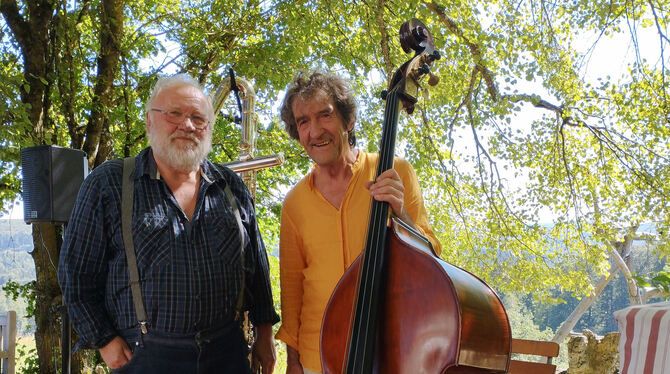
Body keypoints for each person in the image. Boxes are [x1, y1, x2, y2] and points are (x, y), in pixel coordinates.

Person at [58, 73, 279, 374]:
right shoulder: (109, 184)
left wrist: (264, 336)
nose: (187, 125)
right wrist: (104, 340)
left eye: (198, 118)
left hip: (226, 354)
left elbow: (257, 269)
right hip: (145, 358)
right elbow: (75, 274)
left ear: (209, 129)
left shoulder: (231, 187)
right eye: (174, 114)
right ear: (150, 121)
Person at [275, 70, 442, 374]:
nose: (315, 131)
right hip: (318, 360)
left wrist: (401, 214)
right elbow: (293, 292)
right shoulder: (295, 203)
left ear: (347, 121)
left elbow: (432, 258)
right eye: (303, 122)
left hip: (390, 354)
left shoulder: (395, 172)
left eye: (324, 115)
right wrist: (294, 362)